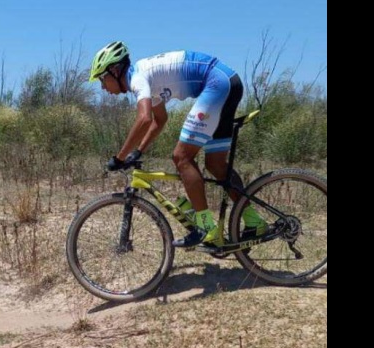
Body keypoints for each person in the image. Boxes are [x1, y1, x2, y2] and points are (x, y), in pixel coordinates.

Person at [89, 41, 266, 248]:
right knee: (216, 165)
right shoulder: (149, 81)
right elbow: (159, 120)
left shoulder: (138, 78)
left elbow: (144, 119)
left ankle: (206, 227)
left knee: (181, 157)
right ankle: (254, 221)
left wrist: (119, 157)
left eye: (102, 79)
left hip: (217, 83)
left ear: (115, 70)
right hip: (227, 82)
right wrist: (138, 151)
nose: (103, 87)